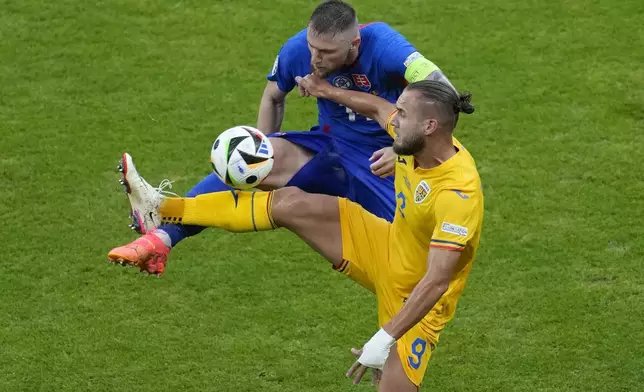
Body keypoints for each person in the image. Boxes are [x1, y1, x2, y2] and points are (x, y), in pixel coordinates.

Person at [114, 79, 483, 390]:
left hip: (416, 298)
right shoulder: (412, 140)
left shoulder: (457, 195)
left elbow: (436, 281)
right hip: (382, 244)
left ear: (430, 127)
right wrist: (324, 89)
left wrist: (385, 336)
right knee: (290, 203)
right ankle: (162, 208)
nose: (395, 119)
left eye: (403, 114)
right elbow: (375, 106)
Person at [108, 0, 457, 276]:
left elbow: (445, 93)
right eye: (312, 48)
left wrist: (400, 150)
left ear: (354, 43)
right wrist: (263, 145)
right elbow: (273, 96)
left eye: (326, 53)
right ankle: (162, 232)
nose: (315, 59)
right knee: (249, 158)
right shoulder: (299, 51)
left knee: (413, 262)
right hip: (332, 150)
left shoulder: (384, 46)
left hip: (385, 162)